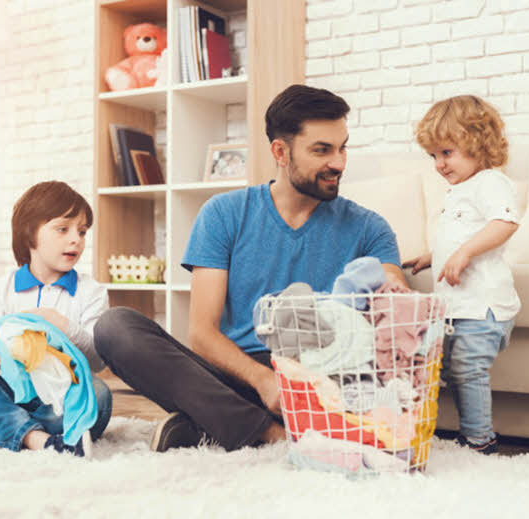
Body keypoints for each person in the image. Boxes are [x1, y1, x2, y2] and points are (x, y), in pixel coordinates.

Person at [94, 84, 406, 453]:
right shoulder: (224, 214)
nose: (338, 162)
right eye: (322, 150)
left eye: (342, 147)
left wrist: (401, 296)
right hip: (236, 374)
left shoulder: (370, 228)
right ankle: (271, 434)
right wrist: (263, 380)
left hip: (323, 383)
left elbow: (397, 305)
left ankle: (211, 424)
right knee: (115, 328)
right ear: (280, 151)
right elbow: (203, 334)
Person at [0, 181, 112, 454]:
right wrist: (3, 356)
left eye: (82, 231)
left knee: (100, 394)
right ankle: (38, 440)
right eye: (63, 229)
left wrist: (63, 325)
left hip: (59, 401)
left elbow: (97, 361)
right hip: (13, 393)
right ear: (30, 233)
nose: (76, 240)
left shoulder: (90, 292)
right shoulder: (1, 288)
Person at [403, 95, 520, 455]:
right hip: (457, 308)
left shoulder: (490, 182)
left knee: (467, 368)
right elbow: (459, 234)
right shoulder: (459, 191)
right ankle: (453, 432)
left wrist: (465, 252)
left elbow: (505, 222)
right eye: (433, 156)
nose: (438, 164)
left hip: (483, 306)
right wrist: (433, 256)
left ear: (477, 142)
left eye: (446, 153)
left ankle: (479, 440)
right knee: (448, 369)